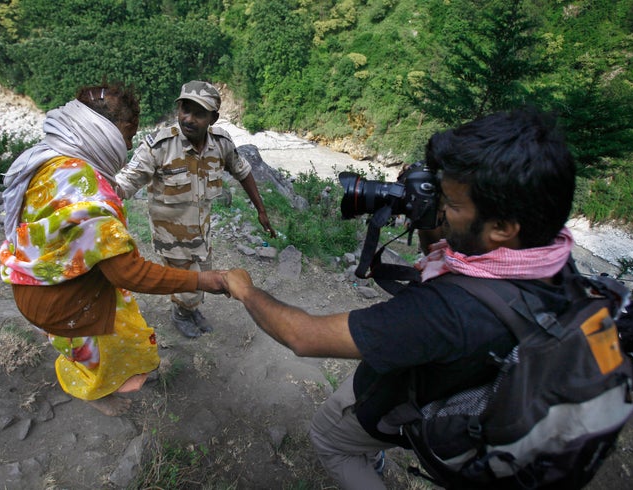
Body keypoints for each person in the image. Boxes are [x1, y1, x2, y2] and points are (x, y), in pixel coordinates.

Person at [223, 108, 578, 489]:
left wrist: (246, 290)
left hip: (409, 404)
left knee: (330, 440)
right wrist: (427, 217)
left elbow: (304, 337)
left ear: (503, 227)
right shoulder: (554, 261)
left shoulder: (443, 313)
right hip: (469, 391)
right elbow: (447, 255)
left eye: (453, 206)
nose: (441, 210)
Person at [0, 82, 229, 417]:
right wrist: (206, 280)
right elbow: (129, 273)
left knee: (100, 340)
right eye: (127, 134)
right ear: (103, 131)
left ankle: (97, 381)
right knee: (126, 345)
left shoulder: (51, 161)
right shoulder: (88, 191)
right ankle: (98, 391)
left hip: (38, 286)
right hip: (63, 303)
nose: (130, 143)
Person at [115, 80, 276, 338]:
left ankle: (189, 309)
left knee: (202, 271)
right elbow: (126, 181)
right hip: (171, 236)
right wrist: (100, 201)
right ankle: (181, 313)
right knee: (184, 279)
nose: (188, 119)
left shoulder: (221, 144)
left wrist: (261, 211)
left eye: (199, 114)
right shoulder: (159, 146)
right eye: (184, 110)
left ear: (213, 118)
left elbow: (243, 171)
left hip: (202, 231)